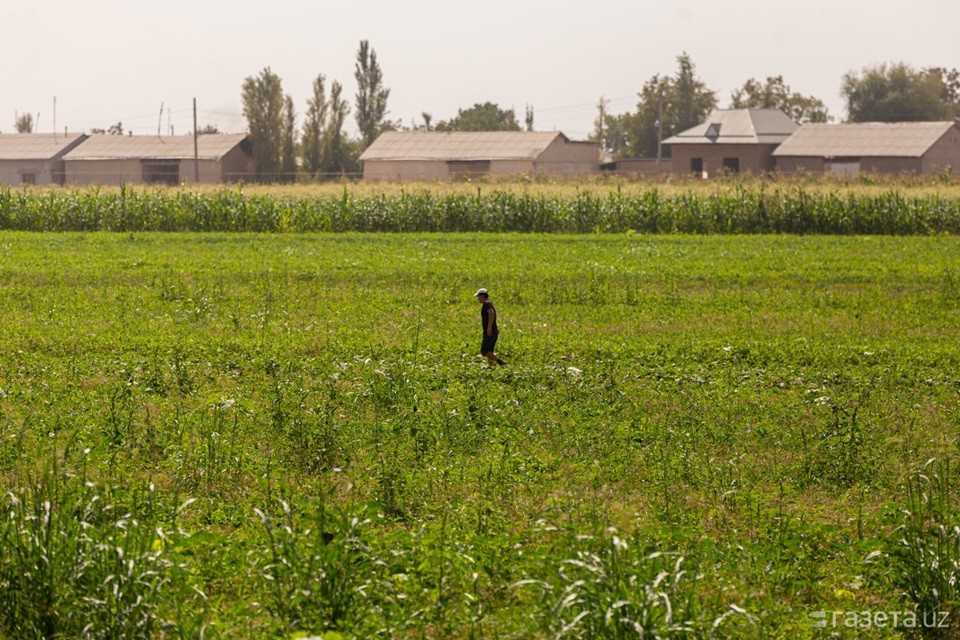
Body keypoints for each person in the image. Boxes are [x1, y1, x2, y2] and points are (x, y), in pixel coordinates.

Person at [475, 288, 506, 366]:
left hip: (490, 330)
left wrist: (489, 327)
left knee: (484, 351)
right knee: (490, 350)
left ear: (482, 296)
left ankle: (501, 362)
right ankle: (490, 367)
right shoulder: (489, 303)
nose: (478, 298)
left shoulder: (486, 304)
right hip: (494, 330)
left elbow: (491, 313)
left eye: (478, 296)